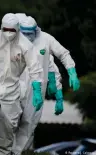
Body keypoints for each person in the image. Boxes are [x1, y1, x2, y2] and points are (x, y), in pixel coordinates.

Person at [0, 13, 44, 155]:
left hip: (12, 88)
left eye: (12, 30)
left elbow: (35, 68)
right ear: (1, 27)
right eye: (6, 29)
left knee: (8, 127)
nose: (8, 33)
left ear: (18, 29)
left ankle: (4, 151)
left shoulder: (25, 45)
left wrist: (37, 90)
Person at [12, 16, 80, 155]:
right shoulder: (13, 41)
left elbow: (56, 62)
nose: (28, 37)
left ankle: (19, 152)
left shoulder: (45, 40)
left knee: (29, 127)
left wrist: (71, 72)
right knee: (10, 125)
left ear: (36, 31)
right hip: (16, 90)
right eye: (24, 33)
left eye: (30, 33)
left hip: (36, 94)